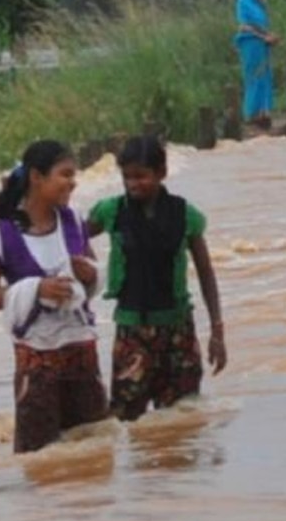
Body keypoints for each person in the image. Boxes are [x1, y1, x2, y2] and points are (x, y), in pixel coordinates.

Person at [0, 140, 106, 453]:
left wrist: (88, 273)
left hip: (81, 352)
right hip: (37, 361)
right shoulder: (0, 235)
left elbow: (93, 274)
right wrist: (36, 289)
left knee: (95, 452)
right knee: (39, 457)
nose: (72, 182)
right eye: (65, 174)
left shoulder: (74, 221)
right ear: (37, 177)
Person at [85, 135, 227, 421]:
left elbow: (205, 273)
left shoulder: (185, 215)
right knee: (126, 420)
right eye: (127, 177)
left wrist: (217, 331)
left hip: (178, 333)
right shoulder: (112, 211)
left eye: (141, 176)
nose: (133, 184)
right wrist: (86, 273)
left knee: (182, 420)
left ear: (161, 173)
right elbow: (70, 239)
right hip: (131, 332)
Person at [234, 0, 279, 130]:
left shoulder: (260, 5)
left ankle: (263, 112)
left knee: (266, 75)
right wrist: (263, 36)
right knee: (254, 75)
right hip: (251, 43)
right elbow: (246, 25)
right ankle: (252, 113)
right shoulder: (243, 2)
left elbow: (262, 24)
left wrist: (269, 36)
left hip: (262, 44)